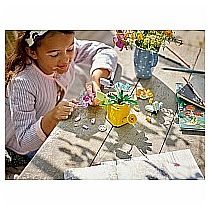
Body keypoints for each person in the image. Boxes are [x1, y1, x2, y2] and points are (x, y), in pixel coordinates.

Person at [5, 30, 118, 165]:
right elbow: (24, 141)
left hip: (46, 121)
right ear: (32, 52)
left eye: (70, 49)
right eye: (54, 54)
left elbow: (105, 51)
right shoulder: (23, 82)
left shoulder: (62, 46)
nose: (65, 59)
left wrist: (96, 78)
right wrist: (52, 117)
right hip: (18, 146)